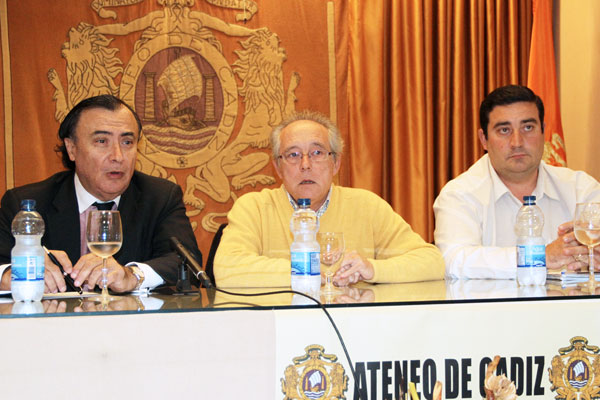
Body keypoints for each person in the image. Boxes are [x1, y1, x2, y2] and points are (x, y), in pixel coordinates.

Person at [214, 110, 444, 287]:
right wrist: (310, 272)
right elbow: (226, 270)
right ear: (278, 167)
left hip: (353, 330)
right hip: (279, 332)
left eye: (317, 153)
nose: (305, 165)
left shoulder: (366, 206)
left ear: (336, 163)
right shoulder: (254, 208)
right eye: (293, 155)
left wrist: (371, 269)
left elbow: (432, 262)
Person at [0, 94, 200, 293]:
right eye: (102, 141)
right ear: (72, 149)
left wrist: (132, 276)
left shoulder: (160, 197)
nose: (117, 156)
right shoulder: (26, 204)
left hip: (133, 323)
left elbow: (188, 266)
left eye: (127, 142)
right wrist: (12, 274)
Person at [433, 84, 600, 279]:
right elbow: (453, 261)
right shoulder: (459, 194)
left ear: (543, 132)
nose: (517, 142)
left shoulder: (580, 188)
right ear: (484, 139)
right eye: (504, 130)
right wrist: (540, 257)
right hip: (492, 309)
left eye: (528, 128)